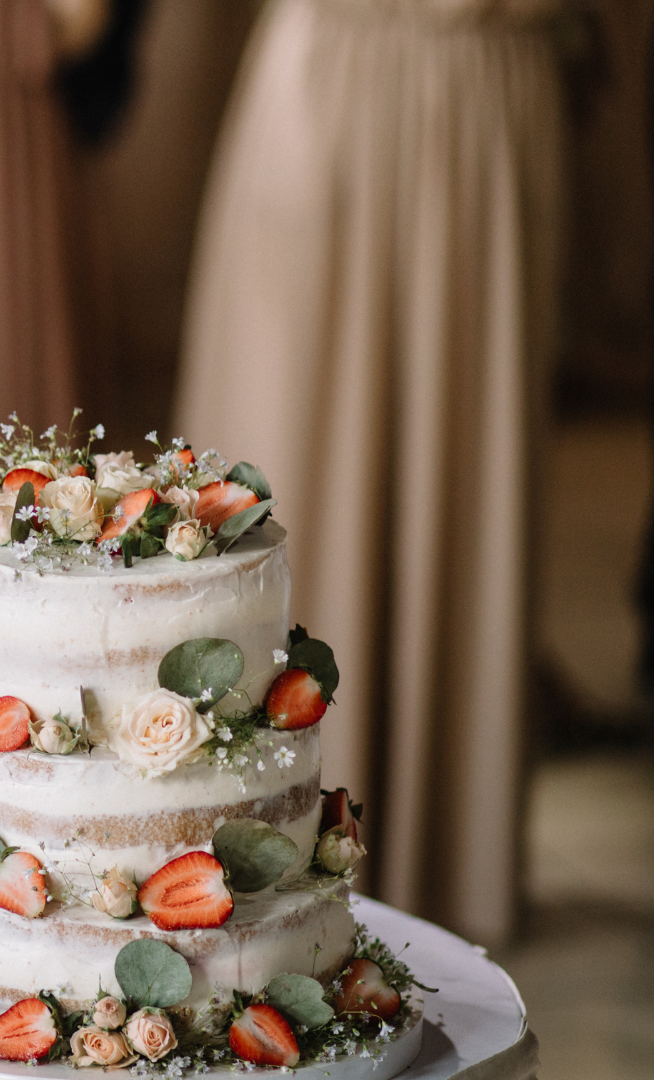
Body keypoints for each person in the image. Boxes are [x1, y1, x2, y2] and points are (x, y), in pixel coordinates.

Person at [172, 0, 563, 943]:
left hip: (490, 86)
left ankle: (440, 856)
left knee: (466, 500)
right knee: (300, 486)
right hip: (333, 85)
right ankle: (251, 857)